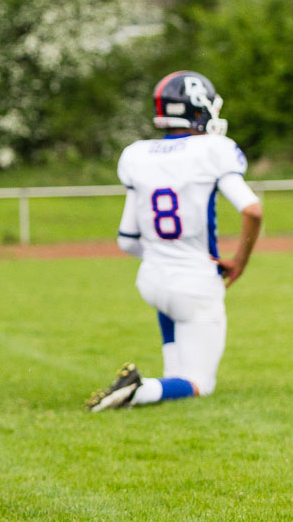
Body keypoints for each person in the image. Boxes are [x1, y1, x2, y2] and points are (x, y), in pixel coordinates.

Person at [87, 71, 261, 411]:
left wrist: (160, 255)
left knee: (178, 356)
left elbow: (126, 240)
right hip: (195, 282)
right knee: (202, 384)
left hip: (151, 280)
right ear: (197, 109)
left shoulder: (138, 154)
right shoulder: (213, 149)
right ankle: (140, 390)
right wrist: (239, 261)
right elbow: (252, 210)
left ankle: (165, 377)